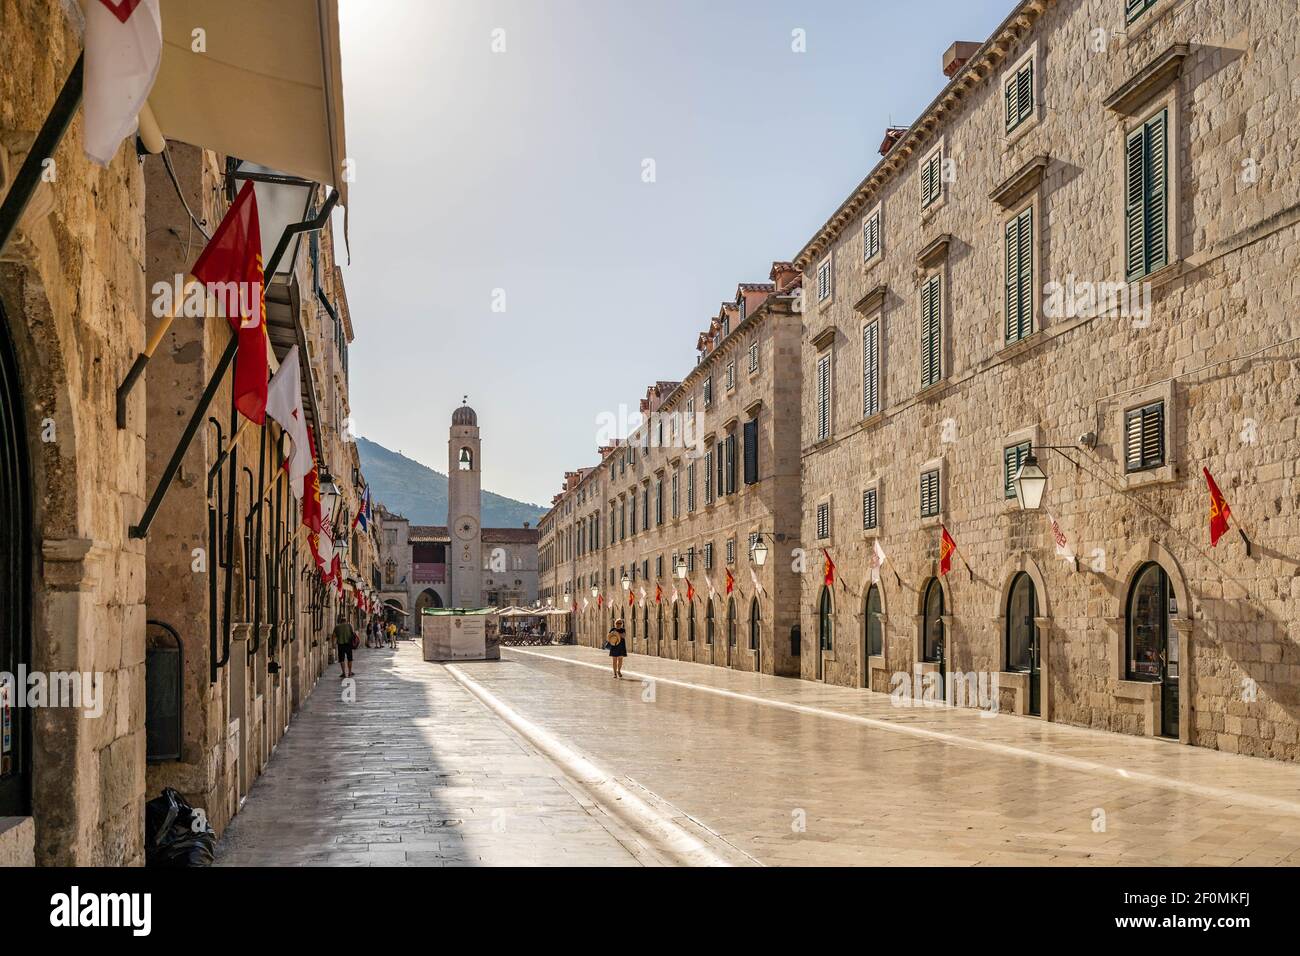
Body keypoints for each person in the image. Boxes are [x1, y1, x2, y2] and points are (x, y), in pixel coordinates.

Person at [333, 614, 355, 679]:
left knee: (342, 659)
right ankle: (350, 672)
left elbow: (333, 636)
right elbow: (353, 634)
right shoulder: (349, 625)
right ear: (346, 621)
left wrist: (333, 644)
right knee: (350, 659)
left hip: (341, 645)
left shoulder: (337, 627)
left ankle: (344, 673)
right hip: (348, 644)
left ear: (340, 621)